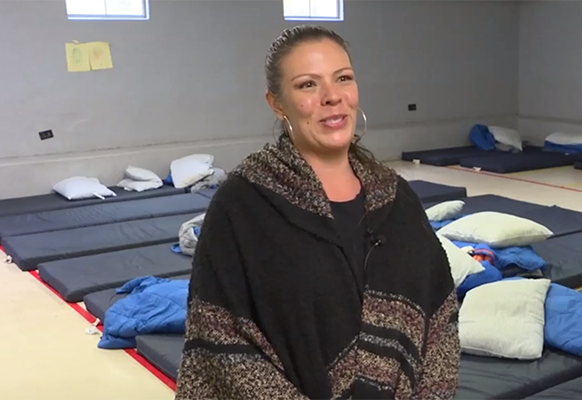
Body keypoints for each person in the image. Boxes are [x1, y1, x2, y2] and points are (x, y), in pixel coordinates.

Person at [173, 25, 460, 399]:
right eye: (308, 84)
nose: (332, 97)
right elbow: (220, 335)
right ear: (277, 103)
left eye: (343, 78)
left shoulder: (396, 198)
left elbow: (439, 315)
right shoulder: (243, 205)